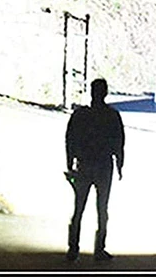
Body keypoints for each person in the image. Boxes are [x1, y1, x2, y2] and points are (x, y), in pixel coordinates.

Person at [65, 77, 125, 262]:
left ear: (91, 92)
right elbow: (119, 142)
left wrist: (70, 162)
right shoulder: (112, 115)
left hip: (84, 165)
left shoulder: (80, 114)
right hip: (104, 167)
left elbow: (70, 138)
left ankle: (73, 249)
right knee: (102, 209)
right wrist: (120, 165)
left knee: (79, 208)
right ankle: (99, 249)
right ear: (105, 93)